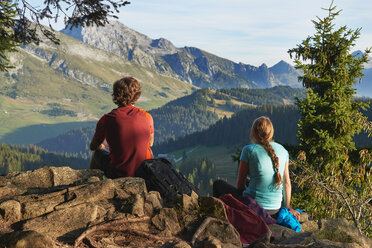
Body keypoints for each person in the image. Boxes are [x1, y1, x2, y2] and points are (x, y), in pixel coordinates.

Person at [213, 116, 300, 220]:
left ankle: (219, 219)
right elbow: (286, 183)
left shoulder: (249, 150)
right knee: (251, 182)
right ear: (271, 132)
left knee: (218, 184)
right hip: (275, 209)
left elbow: (240, 185)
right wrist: (287, 208)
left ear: (253, 132)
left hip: (254, 208)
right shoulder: (283, 151)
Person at [89, 76, 154, 178]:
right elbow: (150, 142)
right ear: (137, 95)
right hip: (144, 173)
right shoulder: (147, 116)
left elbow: (93, 146)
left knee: (97, 154)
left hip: (118, 174)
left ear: (115, 95)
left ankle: (91, 183)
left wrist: (104, 144)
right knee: (149, 152)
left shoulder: (107, 119)